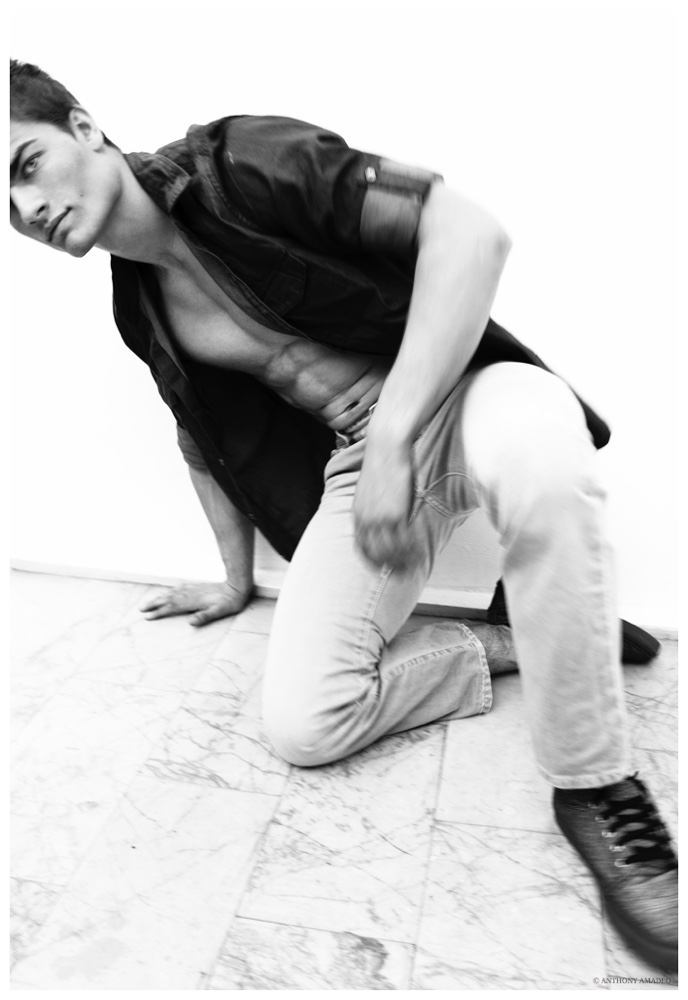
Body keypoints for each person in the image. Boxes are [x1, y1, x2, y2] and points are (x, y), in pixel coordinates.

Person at [9, 59, 677, 972]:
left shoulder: (241, 162)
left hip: (466, 391)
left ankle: (596, 785)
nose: (28, 208)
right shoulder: (141, 309)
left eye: (26, 164)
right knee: (304, 723)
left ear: (84, 127)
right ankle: (521, 636)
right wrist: (236, 580)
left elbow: (469, 231)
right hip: (366, 460)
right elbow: (202, 438)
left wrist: (399, 433)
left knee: (544, 465)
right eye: (6, 205)